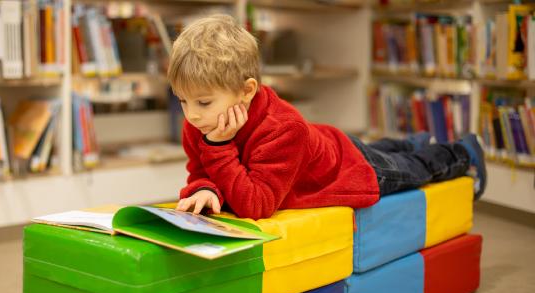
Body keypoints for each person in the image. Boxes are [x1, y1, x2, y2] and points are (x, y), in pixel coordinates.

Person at [168, 14, 486, 220]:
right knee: (382, 148)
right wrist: (204, 189)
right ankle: (410, 142)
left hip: (345, 168)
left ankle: (462, 152)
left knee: (415, 169)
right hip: (322, 142)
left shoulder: (282, 129)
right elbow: (201, 171)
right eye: (182, 101)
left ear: (247, 90)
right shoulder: (200, 122)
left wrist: (220, 147)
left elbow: (257, 205)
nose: (192, 115)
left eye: (204, 102)